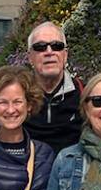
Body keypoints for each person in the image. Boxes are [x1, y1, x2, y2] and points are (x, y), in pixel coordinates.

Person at [25, 22, 83, 150]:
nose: (49, 52)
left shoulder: (86, 94)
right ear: (30, 57)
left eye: (57, 46)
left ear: (65, 54)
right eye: (40, 47)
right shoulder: (19, 97)